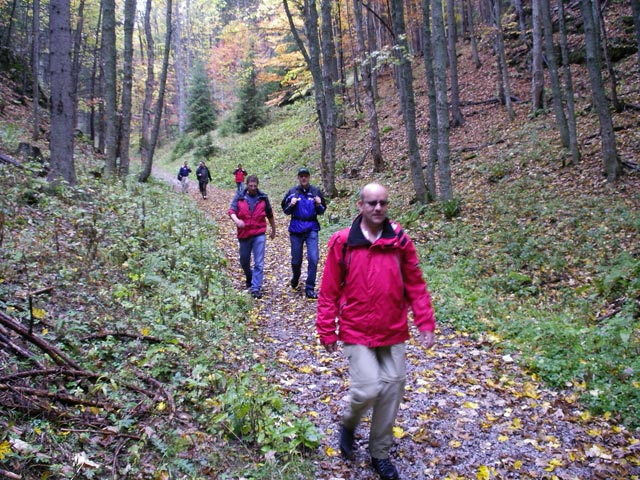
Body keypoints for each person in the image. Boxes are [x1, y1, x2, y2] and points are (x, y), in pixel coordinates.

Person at [316, 183, 436, 480]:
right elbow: (329, 290)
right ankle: (349, 423)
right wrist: (326, 329)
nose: (378, 208)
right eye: (371, 203)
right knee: (369, 387)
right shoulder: (343, 242)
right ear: (360, 205)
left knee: (393, 386)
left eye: (383, 202)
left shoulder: (400, 241)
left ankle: (379, 452)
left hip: (392, 328)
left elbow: (416, 284)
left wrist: (425, 322)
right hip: (356, 329)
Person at [228, 175, 277, 299]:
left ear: (258, 185)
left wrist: (273, 229)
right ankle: (249, 276)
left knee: (258, 262)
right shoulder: (240, 197)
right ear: (247, 185)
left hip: (259, 234)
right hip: (244, 234)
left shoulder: (263, 198)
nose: (253, 188)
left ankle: (256, 288)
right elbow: (231, 211)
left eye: (255, 186)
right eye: (251, 186)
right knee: (244, 261)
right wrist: (237, 221)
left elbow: (270, 214)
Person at [281, 167, 326, 299]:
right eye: (301, 176)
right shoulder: (292, 192)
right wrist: (292, 205)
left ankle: (310, 287)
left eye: (306, 176)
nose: (304, 178)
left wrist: (318, 205)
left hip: (312, 228)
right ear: (298, 178)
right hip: (296, 229)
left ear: (309, 177)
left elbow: (322, 210)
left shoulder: (315, 191)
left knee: (313, 258)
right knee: (296, 260)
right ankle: (295, 278)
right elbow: (285, 210)